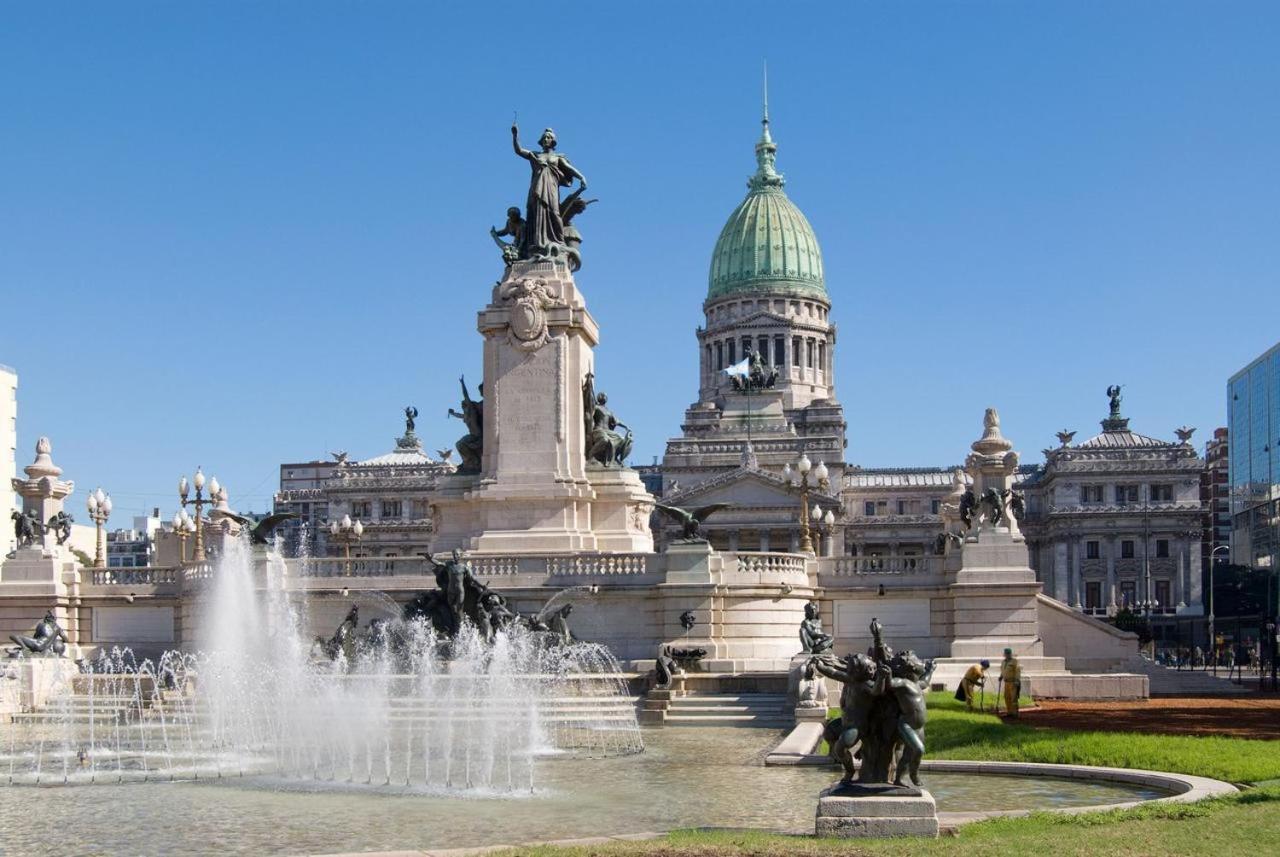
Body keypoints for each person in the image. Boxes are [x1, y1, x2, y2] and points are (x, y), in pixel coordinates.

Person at [999, 648, 1021, 718]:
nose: (1007, 655)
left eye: (1008, 653)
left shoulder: (1015, 661)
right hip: (1006, 682)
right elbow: (1003, 670)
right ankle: (1009, 712)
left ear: (1010, 654)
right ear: (1004, 654)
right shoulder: (1003, 662)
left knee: (1013, 698)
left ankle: (1015, 713)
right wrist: (1001, 676)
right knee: (1007, 697)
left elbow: (1017, 671)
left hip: (1013, 682)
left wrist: (1017, 680)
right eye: (1006, 654)